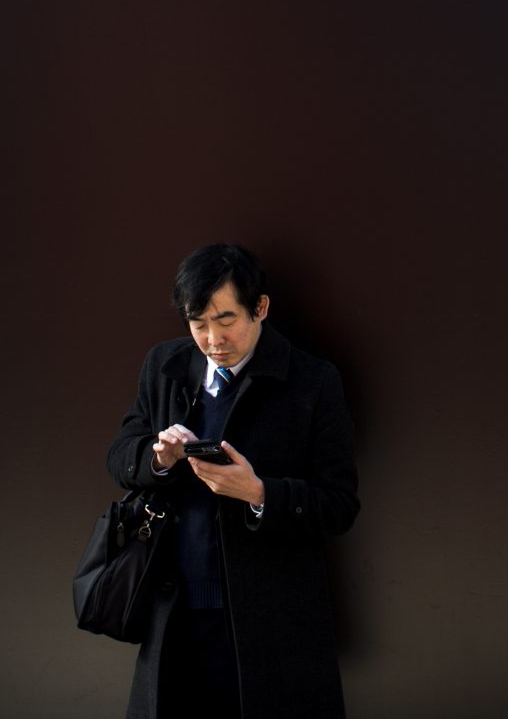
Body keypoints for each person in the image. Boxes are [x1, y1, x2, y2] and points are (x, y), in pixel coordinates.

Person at [107, 243, 359, 719]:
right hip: (171, 612)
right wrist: (158, 459)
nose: (212, 338)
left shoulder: (312, 381)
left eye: (226, 320)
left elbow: (340, 504)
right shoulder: (165, 366)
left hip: (270, 619)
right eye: (198, 322)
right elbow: (119, 454)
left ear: (260, 308)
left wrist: (259, 494)